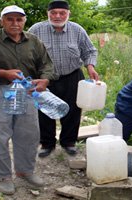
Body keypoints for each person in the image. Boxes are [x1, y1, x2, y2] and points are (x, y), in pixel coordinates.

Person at [0, 5, 57, 195]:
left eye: (19, 19)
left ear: (24, 21)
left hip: (27, 91)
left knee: (28, 134)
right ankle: (4, 176)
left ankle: (25, 171)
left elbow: (47, 65)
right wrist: (2, 73)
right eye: (10, 19)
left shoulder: (34, 41)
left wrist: (45, 80)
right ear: (2, 21)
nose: (15, 23)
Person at [28, 0, 99, 157]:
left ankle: (68, 142)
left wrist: (90, 66)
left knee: (73, 110)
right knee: (45, 111)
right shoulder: (36, 30)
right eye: (53, 13)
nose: (58, 16)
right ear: (48, 14)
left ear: (68, 14)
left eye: (62, 13)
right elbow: (27, 53)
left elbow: (90, 51)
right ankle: (47, 144)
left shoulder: (77, 30)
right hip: (45, 78)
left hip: (72, 75)